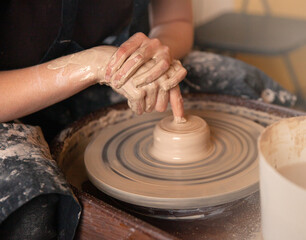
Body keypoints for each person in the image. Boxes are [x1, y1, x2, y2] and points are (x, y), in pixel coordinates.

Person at [0, 0, 193, 239]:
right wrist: (93, 64)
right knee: (31, 199)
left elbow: (175, 21)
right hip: (9, 97)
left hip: (105, 72)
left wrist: (155, 59)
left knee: (233, 80)